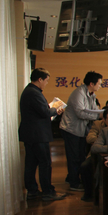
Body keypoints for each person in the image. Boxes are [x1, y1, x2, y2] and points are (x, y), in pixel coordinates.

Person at [19, 68, 66, 201]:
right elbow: (44, 112)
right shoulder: (34, 93)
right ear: (40, 79)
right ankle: (47, 191)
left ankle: (32, 190)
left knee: (31, 163)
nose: (46, 83)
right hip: (37, 135)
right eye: (46, 80)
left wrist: (51, 110)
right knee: (44, 163)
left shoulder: (29, 91)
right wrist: (55, 109)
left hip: (31, 134)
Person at [59, 71, 103, 191]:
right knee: (74, 156)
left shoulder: (92, 94)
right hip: (71, 129)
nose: (100, 86)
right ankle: (74, 183)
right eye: (99, 83)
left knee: (80, 155)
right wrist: (97, 116)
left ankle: (72, 177)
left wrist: (101, 114)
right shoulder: (79, 93)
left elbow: (94, 110)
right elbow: (80, 113)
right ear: (92, 83)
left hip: (81, 130)